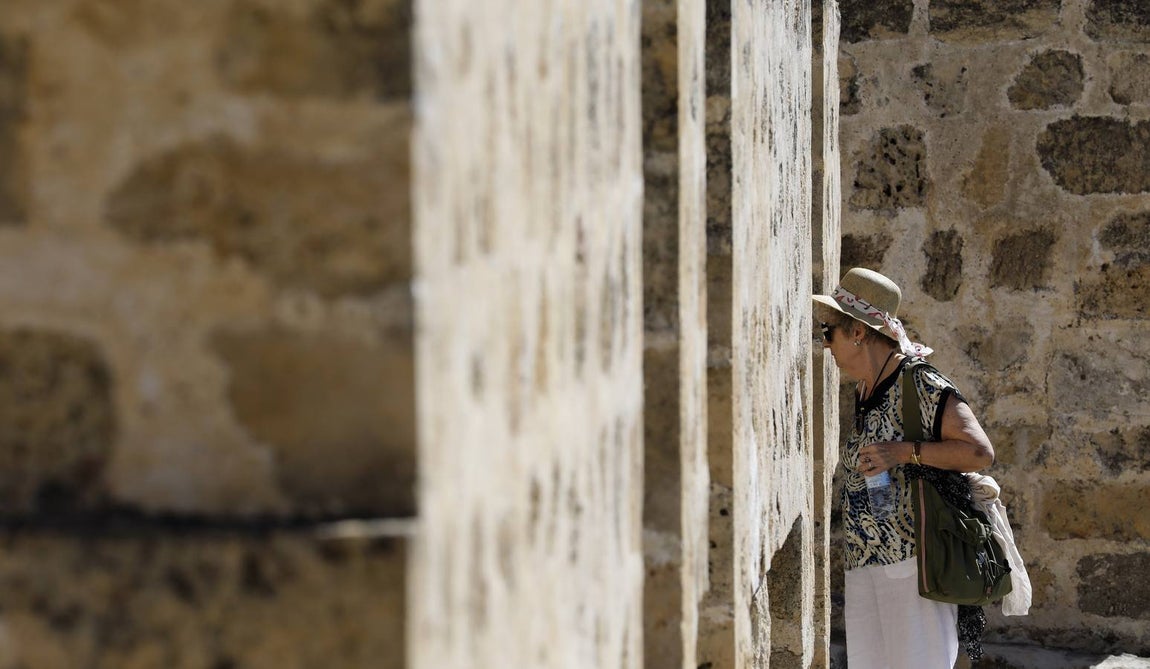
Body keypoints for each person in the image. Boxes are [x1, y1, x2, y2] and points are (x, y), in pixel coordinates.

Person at [813, 267, 996, 669]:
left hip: (914, 562)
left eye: (830, 333)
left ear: (858, 333)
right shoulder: (865, 388)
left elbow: (979, 452)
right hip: (866, 562)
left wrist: (904, 452)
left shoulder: (920, 383)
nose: (826, 345)